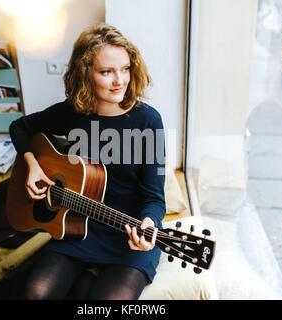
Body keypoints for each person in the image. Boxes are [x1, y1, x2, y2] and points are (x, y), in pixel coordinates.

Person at [9, 23, 166, 300]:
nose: (120, 80)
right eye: (107, 72)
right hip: (77, 228)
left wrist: (149, 224)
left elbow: (154, 197)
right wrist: (32, 166)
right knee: (36, 293)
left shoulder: (148, 121)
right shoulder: (71, 114)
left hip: (126, 232)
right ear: (86, 74)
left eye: (125, 68)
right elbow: (19, 127)